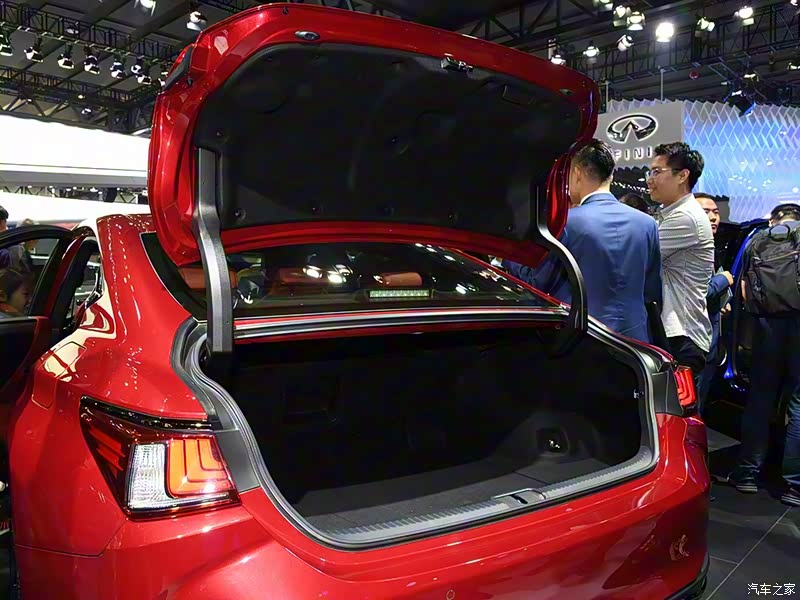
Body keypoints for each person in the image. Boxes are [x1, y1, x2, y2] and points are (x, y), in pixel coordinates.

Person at [502, 139, 663, 343]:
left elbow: (537, 282)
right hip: (636, 341)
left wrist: (509, 255)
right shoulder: (647, 224)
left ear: (577, 172)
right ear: (610, 175)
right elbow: (652, 292)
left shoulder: (566, 223)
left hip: (584, 339)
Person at [731, 203, 800, 506]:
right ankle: (794, 485)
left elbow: (745, 292)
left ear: (774, 219)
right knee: (798, 402)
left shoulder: (758, 240)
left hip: (766, 328)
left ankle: (747, 474)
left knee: (760, 399)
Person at [647, 142, 714, 378]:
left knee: (674, 402)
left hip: (681, 335)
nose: (649, 180)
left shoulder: (685, 217)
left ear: (682, 176)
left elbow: (640, 257)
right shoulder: (673, 214)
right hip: (677, 332)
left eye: (657, 172)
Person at [695, 194, 734, 411]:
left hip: (709, 340)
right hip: (694, 342)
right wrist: (724, 279)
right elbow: (699, 292)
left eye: (716, 212)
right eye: (706, 212)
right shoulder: (690, 249)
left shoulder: (711, 246)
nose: (713, 217)